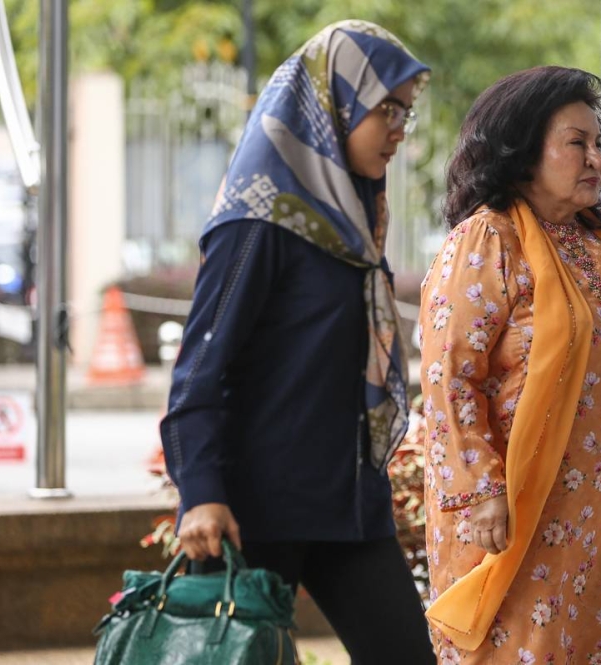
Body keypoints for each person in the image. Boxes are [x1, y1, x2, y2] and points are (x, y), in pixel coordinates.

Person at [160, 20, 435, 664]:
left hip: (347, 507)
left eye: (406, 113)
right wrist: (200, 492)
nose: (398, 128)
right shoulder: (258, 222)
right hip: (255, 511)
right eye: (385, 109)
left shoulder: (352, 224)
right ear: (335, 106)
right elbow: (199, 371)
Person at [418, 66, 601, 663]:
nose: (596, 158)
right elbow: (449, 377)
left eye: (600, 144)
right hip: (513, 512)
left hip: (600, 510)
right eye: (577, 143)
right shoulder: (487, 241)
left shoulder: (599, 242)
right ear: (522, 150)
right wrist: (482, 489)